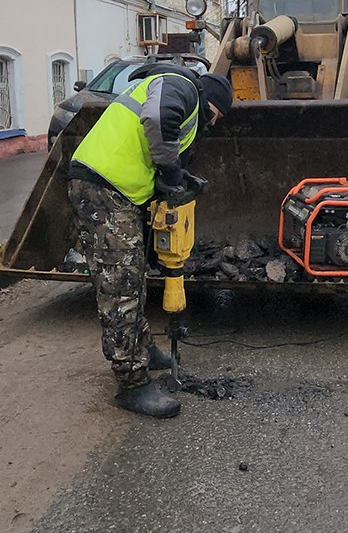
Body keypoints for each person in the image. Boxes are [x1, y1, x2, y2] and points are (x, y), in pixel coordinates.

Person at [68, 63, 234, 419]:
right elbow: (158, 121)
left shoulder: (184, 97)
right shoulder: (183, 87)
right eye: (216, 114)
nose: (214, 123)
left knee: (134, 275)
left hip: (116, 189)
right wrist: (170, 172)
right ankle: (132, 383)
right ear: (210, 100)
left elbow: (151, 145)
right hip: (102, 188)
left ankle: (141, 346)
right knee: (120, 289)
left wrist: (179, 175)